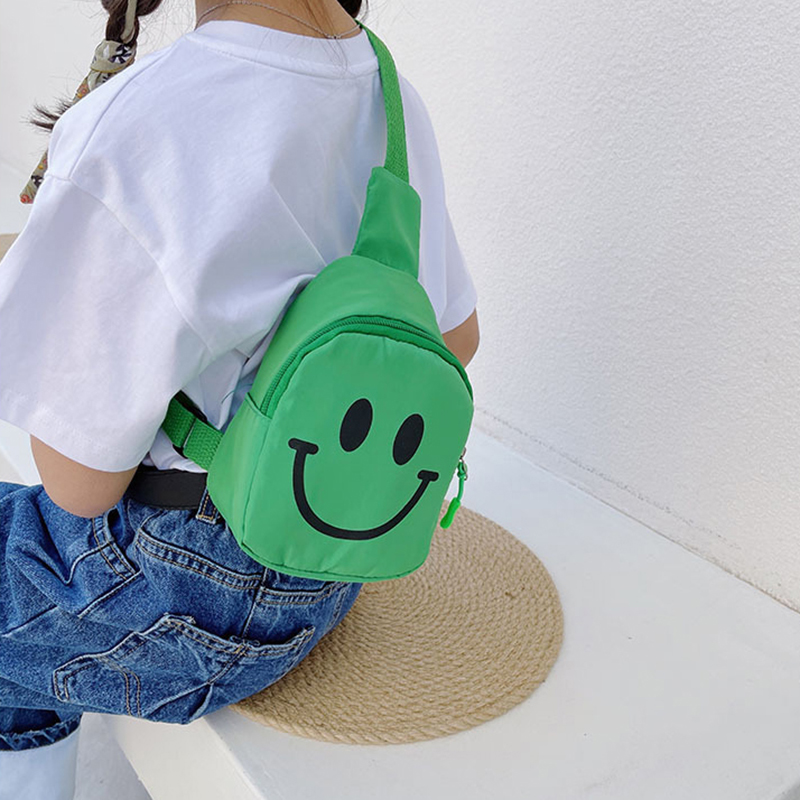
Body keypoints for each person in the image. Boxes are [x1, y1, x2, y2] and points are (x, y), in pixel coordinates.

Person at [0, 0, 480, 796]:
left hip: (177, 586)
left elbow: (79, 487)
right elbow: (456, 338)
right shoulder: (390, 94)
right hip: (335, 564)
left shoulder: (144, 116)